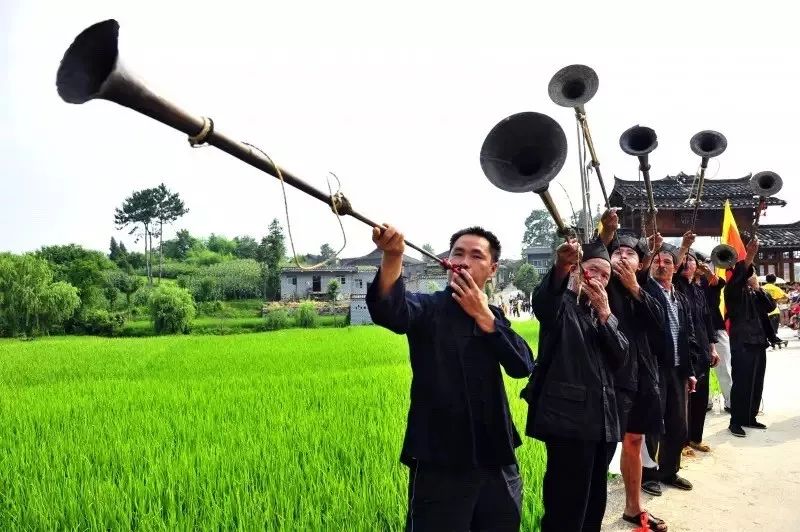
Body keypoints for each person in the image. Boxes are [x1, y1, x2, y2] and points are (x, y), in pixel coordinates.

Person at [367, 224, 533, 531]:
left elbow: (522, 365)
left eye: (475, 255)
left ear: (492, 269)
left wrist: (484, 317)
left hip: (496, 457)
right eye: (457, 252)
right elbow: (390, 310)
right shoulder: (428, 308)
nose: (463, 260)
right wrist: (393, 256)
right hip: (439, 459)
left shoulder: (494, 315)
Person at [525, 238, 629, 532]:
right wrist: (561, 265)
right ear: (577, 271)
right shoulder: (562, 306)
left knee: (595, 501)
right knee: (566, 506)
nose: (599, 278)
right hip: (569, 424)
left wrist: (606, 314)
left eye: (606, 275)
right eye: (593, 270)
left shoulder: (602, 314)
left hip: (603, 424)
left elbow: (621, 357)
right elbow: (546, 301)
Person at [597, 211, 668, 531]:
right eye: (617, 252)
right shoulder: (600, 282)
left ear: (641, 263)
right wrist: (606, 235)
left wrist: (635, 287)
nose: (623, 257)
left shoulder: (648, 288)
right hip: (609, 377)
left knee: (635, 440)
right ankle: (588, 515)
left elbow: (660, 328)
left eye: (630, 254)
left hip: (643, 375)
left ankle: (633, 506)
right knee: (602, 445)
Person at [641, 241, 699, 495]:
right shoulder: (644, 291)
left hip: (677, 369)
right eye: (657, 261)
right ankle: (648, 474)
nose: (661, 265)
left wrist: (690, 371)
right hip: (654, 367)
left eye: (666, 262)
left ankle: (669, 470)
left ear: (675, 268)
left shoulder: (680, 297)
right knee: (652, 424)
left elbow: (687, 336)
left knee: (678, 423)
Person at [724, 238, 776, 437]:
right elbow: (738, 278)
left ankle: (749, 417)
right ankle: (735, 421)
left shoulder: (756, 293)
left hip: (759, 341)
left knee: (756, 381)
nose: (751, 276)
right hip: (742, 342)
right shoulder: (732, 290)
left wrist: (758, 288)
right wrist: (749, 257)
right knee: (742, 382)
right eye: (748, 273)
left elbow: (770, 307)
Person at [675, 250, 720, 454]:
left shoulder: (699, 290)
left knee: (701, 395)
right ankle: (681, 442)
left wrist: (712, 347)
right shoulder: (676, 286)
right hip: (683, 349)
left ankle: (695, 438)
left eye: (691, 260)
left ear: (697, 266)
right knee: (684, 397)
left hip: (702, 348)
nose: (687, 263)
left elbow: (707, 320)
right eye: (683, 260)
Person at [700, 255, 732, 413]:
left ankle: (730, 402)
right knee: (701, 371)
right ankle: (706, 402)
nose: (705, 267)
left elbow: (719, 282)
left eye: (708, 265)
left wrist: (707, 272)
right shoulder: (685, 284)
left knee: (724, 368)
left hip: (717, 330)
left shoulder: (712, 282)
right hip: (697, 333)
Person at [762, 273, 789, 348]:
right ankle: (774, 343)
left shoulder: (762, 288)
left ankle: (767, 343)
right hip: (774, 311)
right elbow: (786, 297)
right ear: (775, 280)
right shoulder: (776, 289)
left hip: (763, 313)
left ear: (766, 280)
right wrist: (777, 300)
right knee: (773, 330)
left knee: (764, 329)